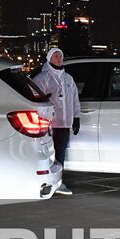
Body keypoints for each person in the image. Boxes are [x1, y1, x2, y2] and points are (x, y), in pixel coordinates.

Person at [32, 47, 79, 195]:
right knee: (47, 155)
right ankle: (43, 182)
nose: (59, 58)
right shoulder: (42, 78)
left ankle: (59, 182)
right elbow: (33, 97)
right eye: (56, 56)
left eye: (60, 55)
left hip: (64, 124)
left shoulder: (68, 79)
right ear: (49, 59)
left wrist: (76, 117)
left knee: (60, 154)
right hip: (49, 124)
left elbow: (74, 100)